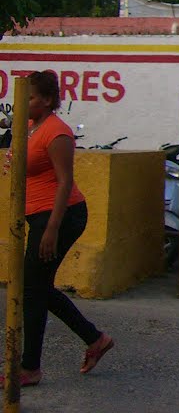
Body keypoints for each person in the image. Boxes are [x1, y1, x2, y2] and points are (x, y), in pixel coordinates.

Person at [2, 71, 113, 387]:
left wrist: (51, 230)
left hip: (61, 216)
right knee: (36, 286)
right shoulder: (29, 127)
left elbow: (65, 183)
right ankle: (95, 339)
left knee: (33, 288)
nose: (25, 103)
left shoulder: (57, 133)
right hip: (40, 215)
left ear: (48, 100)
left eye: (32, 98)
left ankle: (30, 367)